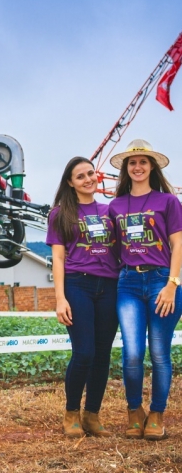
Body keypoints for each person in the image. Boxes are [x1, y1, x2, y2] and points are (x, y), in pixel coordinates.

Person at [109, 139, 182, 440]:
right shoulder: (114, 206)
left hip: (162, 281)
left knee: (160, 353)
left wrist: (172, 284)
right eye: (132, 162)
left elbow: (179, 243)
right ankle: (133, 411)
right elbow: (111, 248)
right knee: (133, 353)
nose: (137, 167)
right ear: (126, 169)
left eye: (143, 161)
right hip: (128, 283)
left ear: (152, 166)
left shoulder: (168, 202)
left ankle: (157, 414)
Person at [46, 157, 120, 438]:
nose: (88, 179)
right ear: (70, 182)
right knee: (84, 352)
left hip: (109, 287)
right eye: (80, 176)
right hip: (79, 286)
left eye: (91, 173)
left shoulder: (109, 211)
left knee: (102, 355)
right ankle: (71, 413)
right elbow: (58, 257)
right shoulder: (61, 213)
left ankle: (92, 414)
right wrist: (60, 299)